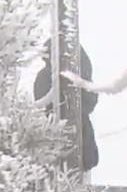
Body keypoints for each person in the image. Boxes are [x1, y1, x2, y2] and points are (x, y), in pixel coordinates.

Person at [33, 40, 100, 173]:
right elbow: (43, 107)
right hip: (64, 142)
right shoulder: (46, 76)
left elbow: (90, 102)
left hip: (75, 145)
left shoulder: (79, 76)